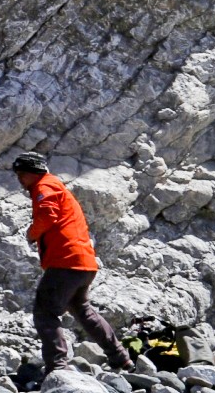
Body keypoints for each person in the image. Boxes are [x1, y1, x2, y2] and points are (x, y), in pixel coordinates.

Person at [13, 151, 133, 379]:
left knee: (45, 312)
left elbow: (48, 214)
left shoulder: (44, 186)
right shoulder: (58, 187)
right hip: (84, 263)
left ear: (33, 173)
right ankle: (120, 357)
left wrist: (32, 233)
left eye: (22, 174)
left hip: (64, 262)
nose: (19, 180)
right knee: (82, 310)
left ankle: (57, 367)